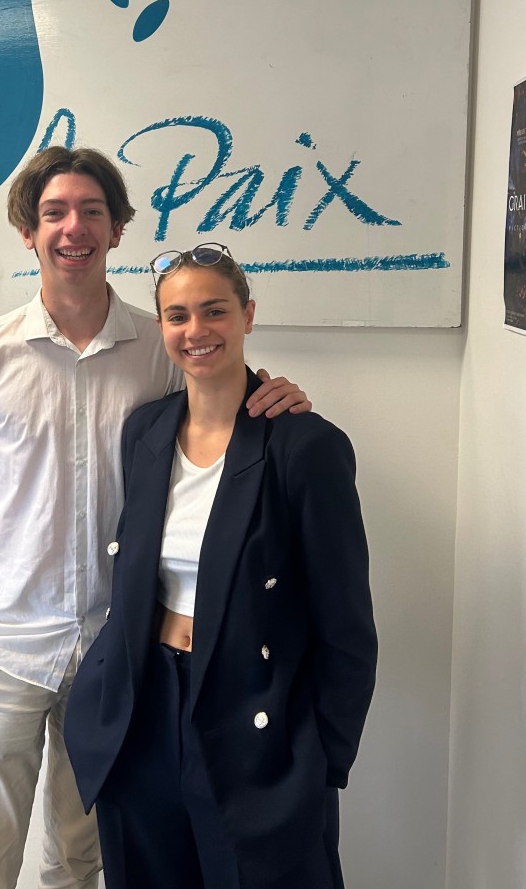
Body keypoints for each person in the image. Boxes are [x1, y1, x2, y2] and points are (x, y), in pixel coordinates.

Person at [0, 148, 312, 889]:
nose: (73, 227)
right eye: (54, 213)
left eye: (92, 211)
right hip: (3, 649)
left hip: (116, 655)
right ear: (28, 232)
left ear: (117, 230)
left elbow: (222, 404)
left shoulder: (159, 345)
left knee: (79, 862)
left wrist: (276, 395)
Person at [64, 242, 377, 889]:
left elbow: (345, 626)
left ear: (247, 316)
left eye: (214, 311)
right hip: (143, 712)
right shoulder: (145, 432)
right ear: (161, 327)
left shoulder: (305, 447)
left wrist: (323, 760)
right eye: (177, 316)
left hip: (255, 719)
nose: (196, 330)